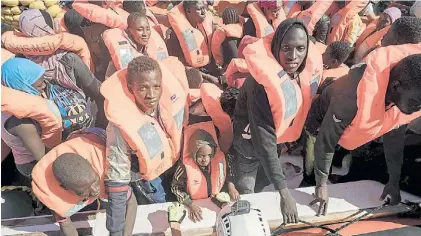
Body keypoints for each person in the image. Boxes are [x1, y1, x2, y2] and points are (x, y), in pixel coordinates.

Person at [309, 46, 421, 216]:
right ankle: (310, 180)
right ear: (396, 87)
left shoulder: (402, 101)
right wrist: (321, 185)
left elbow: (394, 142)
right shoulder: (350, 97)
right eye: (416, 102)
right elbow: (326, 141)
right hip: (322, 122)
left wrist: (394, 180)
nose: (418, 108)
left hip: (357, 128)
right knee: (312, 171)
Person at [232, 18, 323, 224]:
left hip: (274, 143)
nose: (293, 56)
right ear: (276, 48)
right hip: (249, 147)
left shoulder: (296, 74)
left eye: (300, 48)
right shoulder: (259, 85)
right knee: (248, 191)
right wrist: (284, 193)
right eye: (286, 48)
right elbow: (263, 142)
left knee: (267, 177)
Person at [102, 56, 185, 236]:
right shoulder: (119, 127)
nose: (151, 95)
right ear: (131, 88)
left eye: (156, 87)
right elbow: (117, 180)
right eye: (143, 88)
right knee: (159, 206)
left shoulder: (167, 101)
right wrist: (116, 232)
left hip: (173, 162)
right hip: (146, 177)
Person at [2, 9, 107, 129]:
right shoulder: (69, 58)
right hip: (78, 117)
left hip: (48, 125)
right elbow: (94, 88)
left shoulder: (21, 62)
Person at [31, 128, 136, 236]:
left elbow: (131, 202)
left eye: (94, 182)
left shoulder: (107, 170)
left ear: (90, 163)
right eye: (84, 191)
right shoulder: (54, 196)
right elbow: (66, 225)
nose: (95, 190)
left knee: (113, 195)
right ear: (65, 188)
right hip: (68, 170)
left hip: (93, 138)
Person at [1, 58, 94, 178]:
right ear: (21, 86)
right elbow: (42, 158)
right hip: (32, 164)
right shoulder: (21, 123)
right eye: (39, 86)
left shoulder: (10, 102)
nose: (44, 86)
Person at [171, 127, 238, 222]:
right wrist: (190, 204)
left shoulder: (220, 160)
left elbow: (229, 173)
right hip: (195, 204)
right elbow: (176, 187)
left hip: (216, 201)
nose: (205, 160)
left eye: (209, 156)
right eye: (202, 155)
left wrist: (231, 187)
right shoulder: (184, 168)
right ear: (194, 153)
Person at [103, 12, 169, 76]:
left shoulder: (150, 46)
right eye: (140, 30)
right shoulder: (121, 51)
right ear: (129, 31)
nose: (145, 34)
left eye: (147, 29)